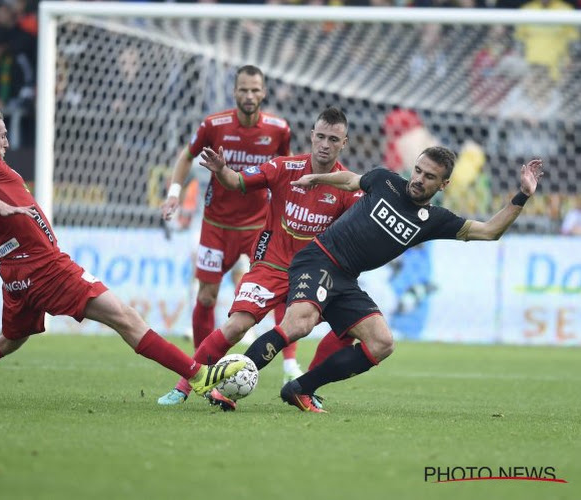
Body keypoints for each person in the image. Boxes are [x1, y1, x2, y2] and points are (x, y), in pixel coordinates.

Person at [0, 109, 245, 405]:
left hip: (15, 273)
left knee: (10, 339)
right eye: (3, 135)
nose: (7, 142)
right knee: (125, 318)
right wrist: (2, 208)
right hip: (45, 266)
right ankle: (197, 376)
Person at [237, 147, 543, 412]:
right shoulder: (386, 181)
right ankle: (227, 383)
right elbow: (350, 179)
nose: (419, 179)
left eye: (429, 177)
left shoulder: (435, 220)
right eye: (418, 170)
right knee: (299, 324)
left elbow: (490, 231)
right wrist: (317, 178)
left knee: (382, 343)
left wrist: (523, 195)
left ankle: (300, 388)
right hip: (319, 258)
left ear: (443, 184)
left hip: (345, 278)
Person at [158, 107, 362, 410]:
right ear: (311, 136)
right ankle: (183, 386)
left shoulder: (348, 187)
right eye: (320, 136)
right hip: (272, 266)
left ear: (343, 143)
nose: (325, 144)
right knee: (236, 326)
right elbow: (237, 182)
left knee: (352, 327)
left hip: (313, 273)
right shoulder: (284, 167)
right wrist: (221, 170)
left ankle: (305, 386)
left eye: (333, 139)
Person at [158, 65, 299, 405]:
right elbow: (186, 156)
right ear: (234, 92)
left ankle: (292, 366)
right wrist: (175, 192)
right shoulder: (214, 125)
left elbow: (289, 170)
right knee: (206, 297)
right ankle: (198, 370)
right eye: (243, 90)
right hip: (216, 227)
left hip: (259, 228)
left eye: (255, 90)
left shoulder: (279, 129)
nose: (249, 96)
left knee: (281, 291)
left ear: (263, 93)